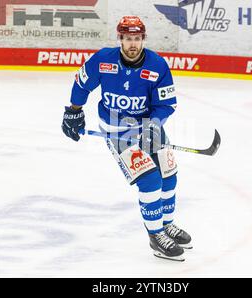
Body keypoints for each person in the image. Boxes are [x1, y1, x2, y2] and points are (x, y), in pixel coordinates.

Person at [62, 16, 191, 262]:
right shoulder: (103, 60)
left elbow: (166, 104)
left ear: (143, 39)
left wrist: (154, 124)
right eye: (128, 38)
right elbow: (81, 84)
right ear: (119, 39)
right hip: (117, 129)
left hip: (148, 125)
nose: (133, 43)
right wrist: (74, 110)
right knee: (150, 180)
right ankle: (156, 235)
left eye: (137, 38)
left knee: (168, 172)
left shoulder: (157, 66)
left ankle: (166, 224)